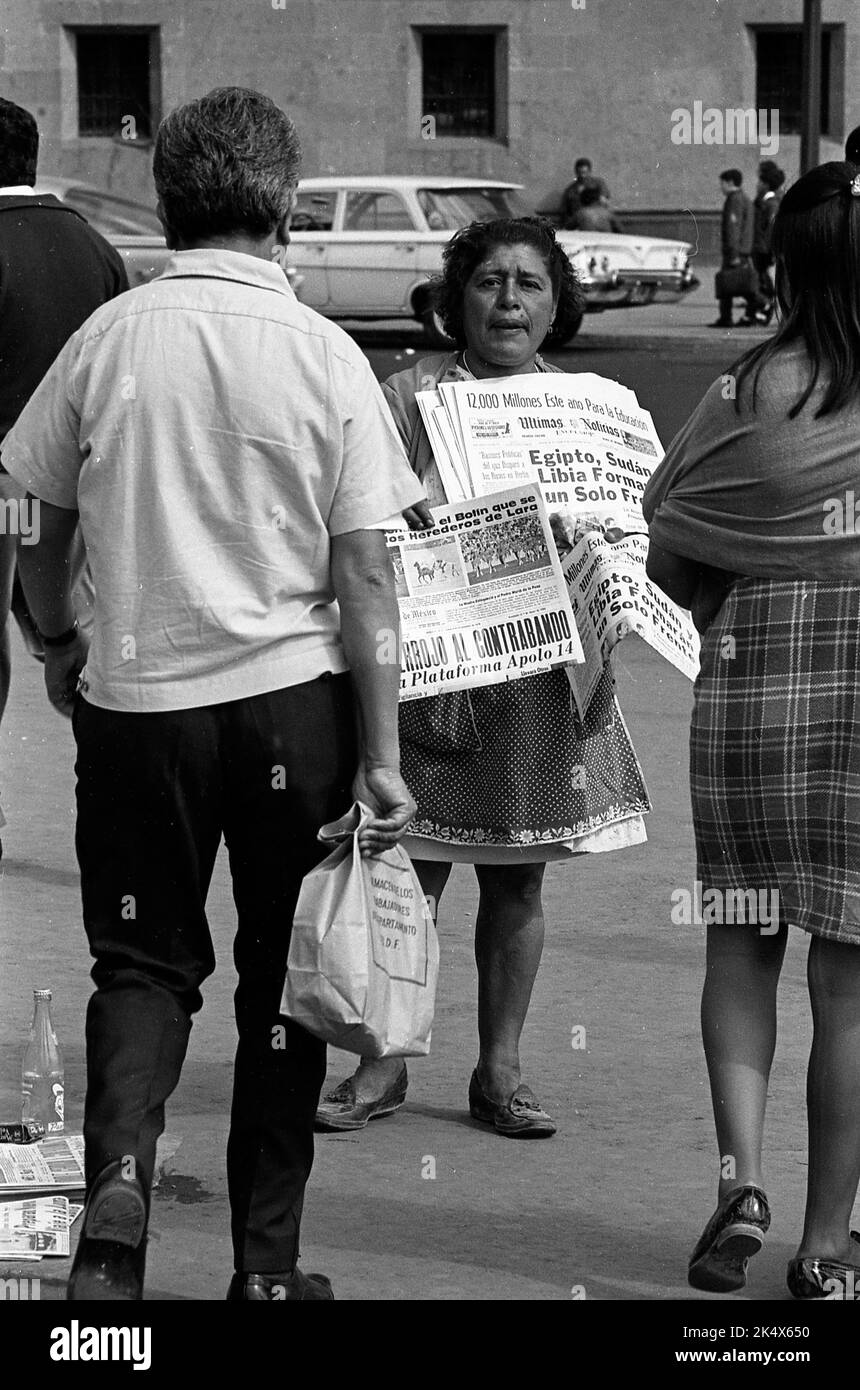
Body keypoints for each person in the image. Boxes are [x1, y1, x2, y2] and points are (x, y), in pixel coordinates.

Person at [1, 86, 424, 1302]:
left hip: (139, 706)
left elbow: (27, 503)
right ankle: (265, 1265)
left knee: (140, 963)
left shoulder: (110, 337)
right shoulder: (325, 353)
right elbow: (365, 570)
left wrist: (59, 628)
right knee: (278, 977)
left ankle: (117, 1196)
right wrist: (383, 751)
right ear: (285, 208)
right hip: (295, 705)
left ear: (169, 202)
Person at [315, 216, 650, 1139]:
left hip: (542, 676)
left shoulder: (595, 407)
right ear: (457, 298)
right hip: (431, 670)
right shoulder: (407, 394)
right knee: (408, 873)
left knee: (517, 883)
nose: (509, 301)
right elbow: (359, 518)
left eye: (530, 285)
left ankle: (499, 1072)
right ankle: (381, 1061)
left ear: (557, 305)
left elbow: (638, 525)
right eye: (491, 281)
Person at [643, 163, 860, 1301]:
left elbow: (668, 545)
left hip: (746, 694)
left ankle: (737, 1184)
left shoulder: (741, 391)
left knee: (738, 943)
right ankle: (826, 1246)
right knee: (850, 979)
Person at [0, 98, 127, 857]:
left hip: (1, 490)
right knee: (75, 641)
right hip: (76, 487)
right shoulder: (93, 244)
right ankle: (109, 810)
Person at [710, 169, 756, 329]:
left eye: (722, 183)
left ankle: (726, 316)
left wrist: (733, 252)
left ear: (730, 182)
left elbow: (733, 228)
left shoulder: (734, 200)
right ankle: (747, 312)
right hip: (744, 249)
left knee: (728, 283)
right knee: (740, 283)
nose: (720, 187)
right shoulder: (745, 199)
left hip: (735, 251)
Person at [749, 160, 785, 325]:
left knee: (763, 281)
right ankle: (760, 310)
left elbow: (770, 229)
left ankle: (764, 310)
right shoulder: (764, 202)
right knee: (761, 280)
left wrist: (770, 249)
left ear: (766, 184)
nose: (757, 185)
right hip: (760, 247)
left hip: (763, 249)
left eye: (760, 182)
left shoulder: (771, 204)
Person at [561, 157, 610, 229]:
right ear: (576, 172)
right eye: (579, 173)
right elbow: (566, 211)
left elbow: (604, 200)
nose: (582, 176)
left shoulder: (599, 184)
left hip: (599, 222)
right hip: (578, 225)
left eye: (584, 173)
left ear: (590, 171)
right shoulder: (571, 189)